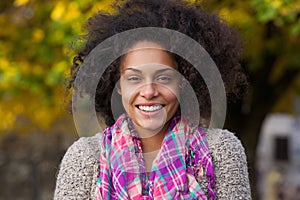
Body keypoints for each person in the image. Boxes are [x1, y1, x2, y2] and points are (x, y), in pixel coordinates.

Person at [54, 0, 251, 199]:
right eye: (134, 78)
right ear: (118, 85)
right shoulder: (84, 158)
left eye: (164, 78)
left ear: (184, 82)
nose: (148, 91)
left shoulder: (221, 150)